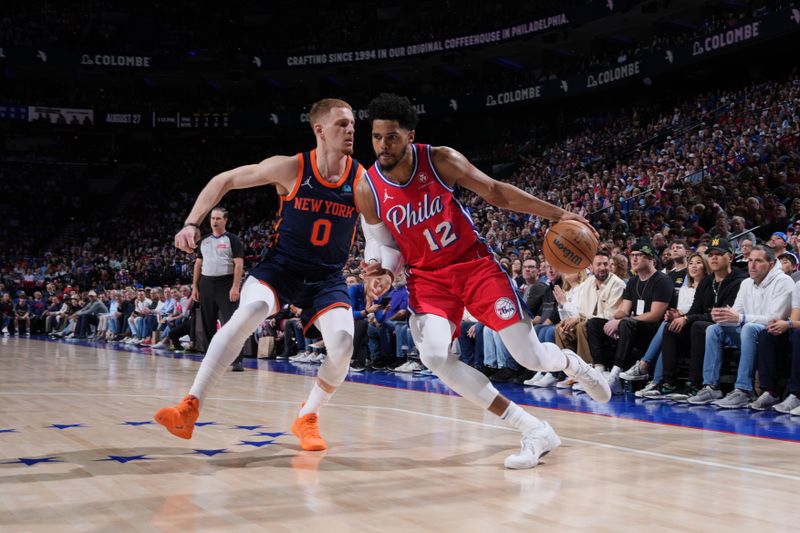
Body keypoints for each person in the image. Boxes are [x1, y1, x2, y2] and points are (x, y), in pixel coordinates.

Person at [358, 93, 610, 470]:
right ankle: (533, 428)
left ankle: (571, 364)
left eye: (391, 137)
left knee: (529, 356)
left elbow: (495, 193)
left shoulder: (440, 159)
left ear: (410, 134)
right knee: (434, 355)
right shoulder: (367, 186)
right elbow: (383, 243)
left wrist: (559, 213)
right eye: (377, 137)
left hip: (473, 265)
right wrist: (380, 271)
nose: (382, 145)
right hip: (427, 279)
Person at [155, 98, 363, 452]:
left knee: (343, 345)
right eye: (342, 124)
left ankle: (307, 417)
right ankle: (190, 406)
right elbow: (226, 179)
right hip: (281, 268)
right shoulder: (292, 168)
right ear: (319, 130)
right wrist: (192, 222)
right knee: (249, 313)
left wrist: (380, 266)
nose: (351, 130)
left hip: (327, 277)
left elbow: (377, 227)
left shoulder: (362, 179)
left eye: (352, 124)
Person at [586, 242, 674, 394]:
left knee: (626, 323)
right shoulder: (633, 281)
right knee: (593, 323)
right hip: (633, 325)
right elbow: (624, 310)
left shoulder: (662, 280)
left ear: (650, 259)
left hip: (653, 329)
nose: (634, 258)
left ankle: (614, 375)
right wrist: (613, 320)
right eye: (632, 255)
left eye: (639, 255)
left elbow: (655, 315)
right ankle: (599, 371)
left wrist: (622, 321)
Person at [192, 207, 246, 370]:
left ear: (225, 220)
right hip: (206, 284)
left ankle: (237, 360)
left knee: (232, 323)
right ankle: (210, 358)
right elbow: (198, 264)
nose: (214, 221)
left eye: (218, 219)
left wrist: (235, 286)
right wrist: (195, 286)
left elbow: (239, 264)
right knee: (207, 322)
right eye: (212, 218)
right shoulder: (204, 240)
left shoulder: (233, 239)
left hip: (226, 284)